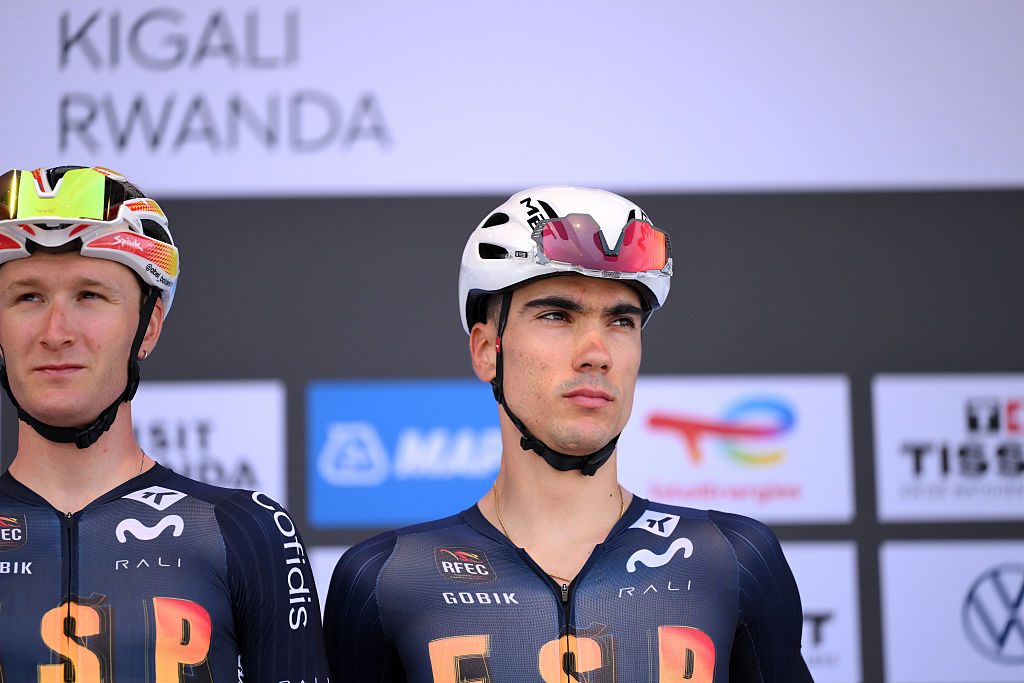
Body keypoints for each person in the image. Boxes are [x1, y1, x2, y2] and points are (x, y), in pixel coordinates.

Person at [324, 186, 813, 681]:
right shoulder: (387, 578)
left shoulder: (733, 559)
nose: (596, 352)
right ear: (486, 350)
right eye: (557, 315)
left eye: (622, 320)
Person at [0, 166, 329, 680]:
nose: (56, 332)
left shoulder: (245, 531)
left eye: (90, 295)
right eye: (27, 297)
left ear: (147, 326)